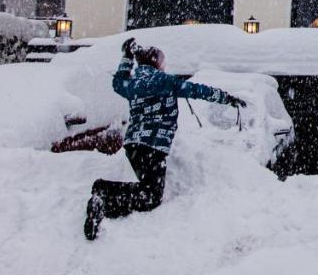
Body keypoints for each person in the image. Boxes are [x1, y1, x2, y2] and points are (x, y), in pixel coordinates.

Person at [84, 37, 245, 240]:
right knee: (151, 196)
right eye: (162, 61)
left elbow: (118, 82)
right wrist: (226, 97)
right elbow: (197, 90)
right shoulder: (166, 81)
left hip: (133, 145)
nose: (164, 65)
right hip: (154, 145)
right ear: (157, 63)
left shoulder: (132, 85)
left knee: (147, 189)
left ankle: (105, 197)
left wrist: (126, 58)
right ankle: (104, 195)